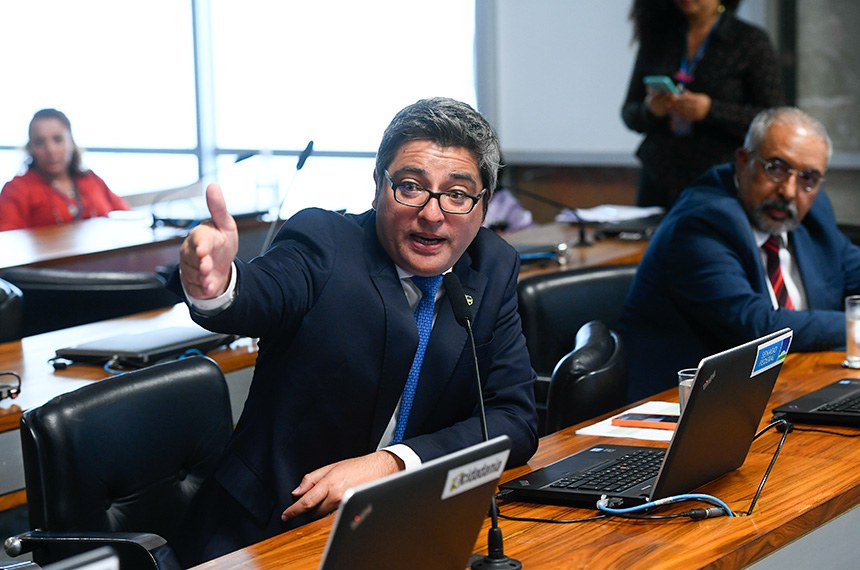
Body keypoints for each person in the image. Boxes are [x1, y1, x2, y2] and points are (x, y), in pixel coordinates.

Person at [170, 97, 539, 565]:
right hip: (265, 531)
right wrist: (220, 284)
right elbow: (263, 291)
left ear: (482, 206)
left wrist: (393, 464)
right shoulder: (324, 243)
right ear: (377, 187)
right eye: (410, 187)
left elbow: (516, 419)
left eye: (458, 194)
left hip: (399, 529)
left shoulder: (492, 266)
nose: (432, 213)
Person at [620, 107, 860, 401]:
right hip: (690, 406)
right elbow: (758, 328)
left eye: (808, 178)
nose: (788, 190)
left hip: (795, 386)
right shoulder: (702, 222)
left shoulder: (814, 211)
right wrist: (853, 324)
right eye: (776, 167)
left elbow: (853, 270)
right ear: (743, 161)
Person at [621, 0, 785, 209]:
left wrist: (710, 110)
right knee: (651, 240)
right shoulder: (659, 38)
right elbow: (629, 113)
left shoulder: (749, 40)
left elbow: (772, 119)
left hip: (719, 176)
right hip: (660, 172)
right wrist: (651, 110)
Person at [0, 108, 129, 231]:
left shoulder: (91, 180)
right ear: (31, 148)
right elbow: (8, 242)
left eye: (58, 139)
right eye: (39, 142)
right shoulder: (17, 190)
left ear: (71, 142)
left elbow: (127, 218)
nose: (50, 150)